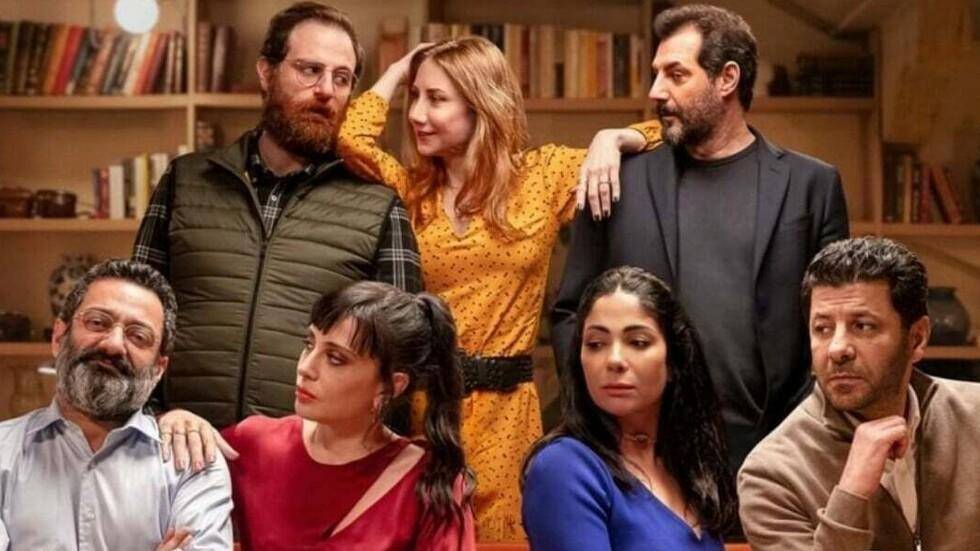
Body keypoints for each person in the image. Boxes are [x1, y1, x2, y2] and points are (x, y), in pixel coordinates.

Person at [334, 36, 662, 542]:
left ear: (481, 104)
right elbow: (351, 138)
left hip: (509, 415)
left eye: (436, 99)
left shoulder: (542, 178)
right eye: (415, 97)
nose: (417, 114)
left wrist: (610, 139)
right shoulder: (412, 191)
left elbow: (662, 135)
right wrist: (400, 68)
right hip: (425, 411)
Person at [552, 3, 850, 472]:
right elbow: (570, 313)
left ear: (727, 78)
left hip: (776, 452)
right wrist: (601, 424)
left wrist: (806, 433)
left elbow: (836, 318)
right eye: (656, 74)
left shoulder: (811, 185)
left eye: (676, 75)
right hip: (642, 455)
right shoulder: (614, 178)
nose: (656, 91)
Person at [132, 2, 423, 430]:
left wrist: (359, 456)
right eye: (310, 70)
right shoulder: (186, 181)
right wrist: (155, 419)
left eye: (342, 78)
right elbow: (134, 316)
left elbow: (401, 359)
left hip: (313, 461)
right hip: (180, 450)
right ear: (266, 72)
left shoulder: (379, 206)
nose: (326, 90)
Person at [168, 281, 475, 550]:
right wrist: (173, 422)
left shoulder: (431, 482)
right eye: (309, 344)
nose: (305, 368)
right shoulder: (253, 444)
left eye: (335, 358)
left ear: (392, 385)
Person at [738, 237, 980, 550]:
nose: (837, 348)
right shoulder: (772, 475)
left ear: (917, 338)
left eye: (863, 326)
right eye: (822, 329)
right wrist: (851, 493)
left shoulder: (975, 418)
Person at [0, 259, 232, 551]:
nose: (113, 344)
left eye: (138, 336)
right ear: (59, 336)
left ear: (159, 368)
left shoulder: (192, 463)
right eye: (98, 323)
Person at [522, 266, 737, 550]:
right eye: (596, 344)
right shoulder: (564, 468)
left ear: (673, 360)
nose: (614, 360)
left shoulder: (688, 465)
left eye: (637, 342)